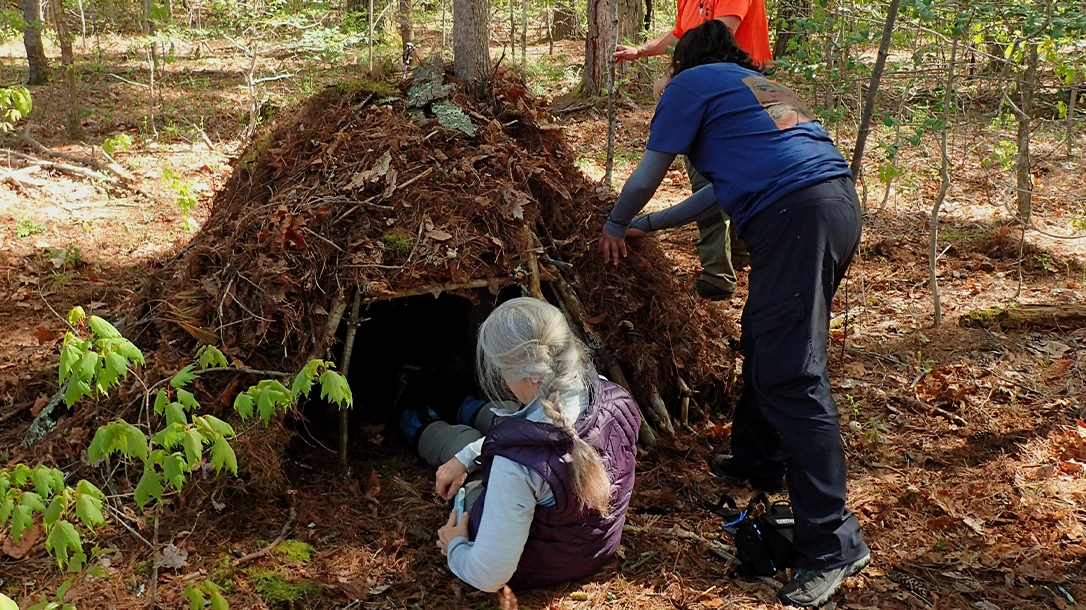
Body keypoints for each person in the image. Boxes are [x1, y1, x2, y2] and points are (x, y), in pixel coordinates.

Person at [598, 20, 869, 608]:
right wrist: (649, 224)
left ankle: (832, 544)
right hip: (833, 206)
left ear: (680, 66)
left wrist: (616, 222)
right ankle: (757, 459)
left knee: (791, 374)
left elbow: (649, 169)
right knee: (764, 339)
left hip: (795, 217)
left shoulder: (690, 85)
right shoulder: (754, 87)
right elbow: (722, 192)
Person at [398, 297, 641, 592]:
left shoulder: (515, 465)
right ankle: (456, 401)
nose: (500, 376)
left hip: (539, 567)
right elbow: (546, 437)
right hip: (595, 548)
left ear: (525, 374)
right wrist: (467, 457)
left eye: (502, 369)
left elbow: (488, 575)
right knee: (496, 418)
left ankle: (411, 408)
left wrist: (456, 546)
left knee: (462, 438)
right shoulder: (613, 396)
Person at [614, 0, 772, 301]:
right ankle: (734, 261)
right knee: (736, 179)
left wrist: (677, 80)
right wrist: (641, 51)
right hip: (723, 95)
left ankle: (718, 274)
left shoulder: (697, 76)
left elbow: (717, 35)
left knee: (711, 180)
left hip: (731, 96)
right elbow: (682, 35)